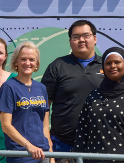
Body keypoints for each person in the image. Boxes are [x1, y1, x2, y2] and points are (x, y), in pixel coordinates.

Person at [41, 19, 104, 152]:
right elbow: (44, 106)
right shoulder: (58, 66)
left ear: (95, 38)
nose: (81, 40)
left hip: (100, 143)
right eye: (76, 37)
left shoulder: (107, 66)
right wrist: (47, 141)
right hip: (62, 144)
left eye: (86, 36)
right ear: (70, 41)